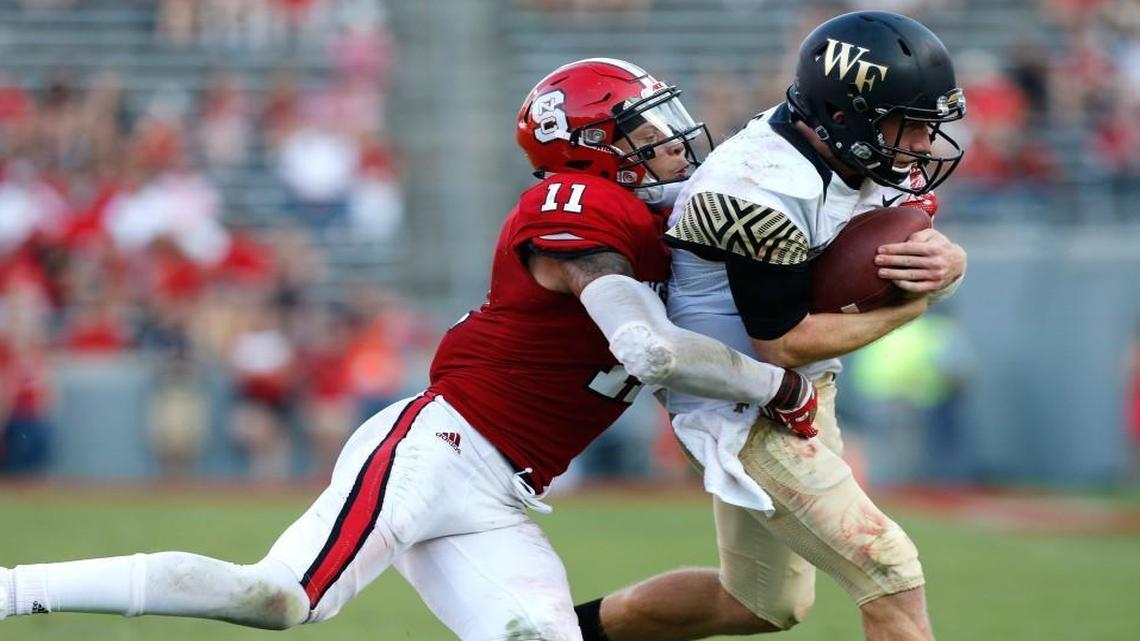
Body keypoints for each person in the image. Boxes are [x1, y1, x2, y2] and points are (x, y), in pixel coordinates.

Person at [0, 58, 818, 641]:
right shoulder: (577, 204)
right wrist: (780, 387)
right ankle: (14, 589)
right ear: (588, 149)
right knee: (282, 597)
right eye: (647, 132)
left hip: (502, 491)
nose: (675, 146)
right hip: (442, 447)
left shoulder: (652, 226)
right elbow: (649, 347)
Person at [574, 12, 968, 641]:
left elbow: (903, 242)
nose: (922, 144)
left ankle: (546, 633)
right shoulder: (760, 190)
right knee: (889, 570)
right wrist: (909, 308)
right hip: (745, 405)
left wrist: (948, 262)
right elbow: (781, 341)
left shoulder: (841, 148)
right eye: (910, 125)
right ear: (845, 116)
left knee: (758, 603)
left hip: (802, 389)